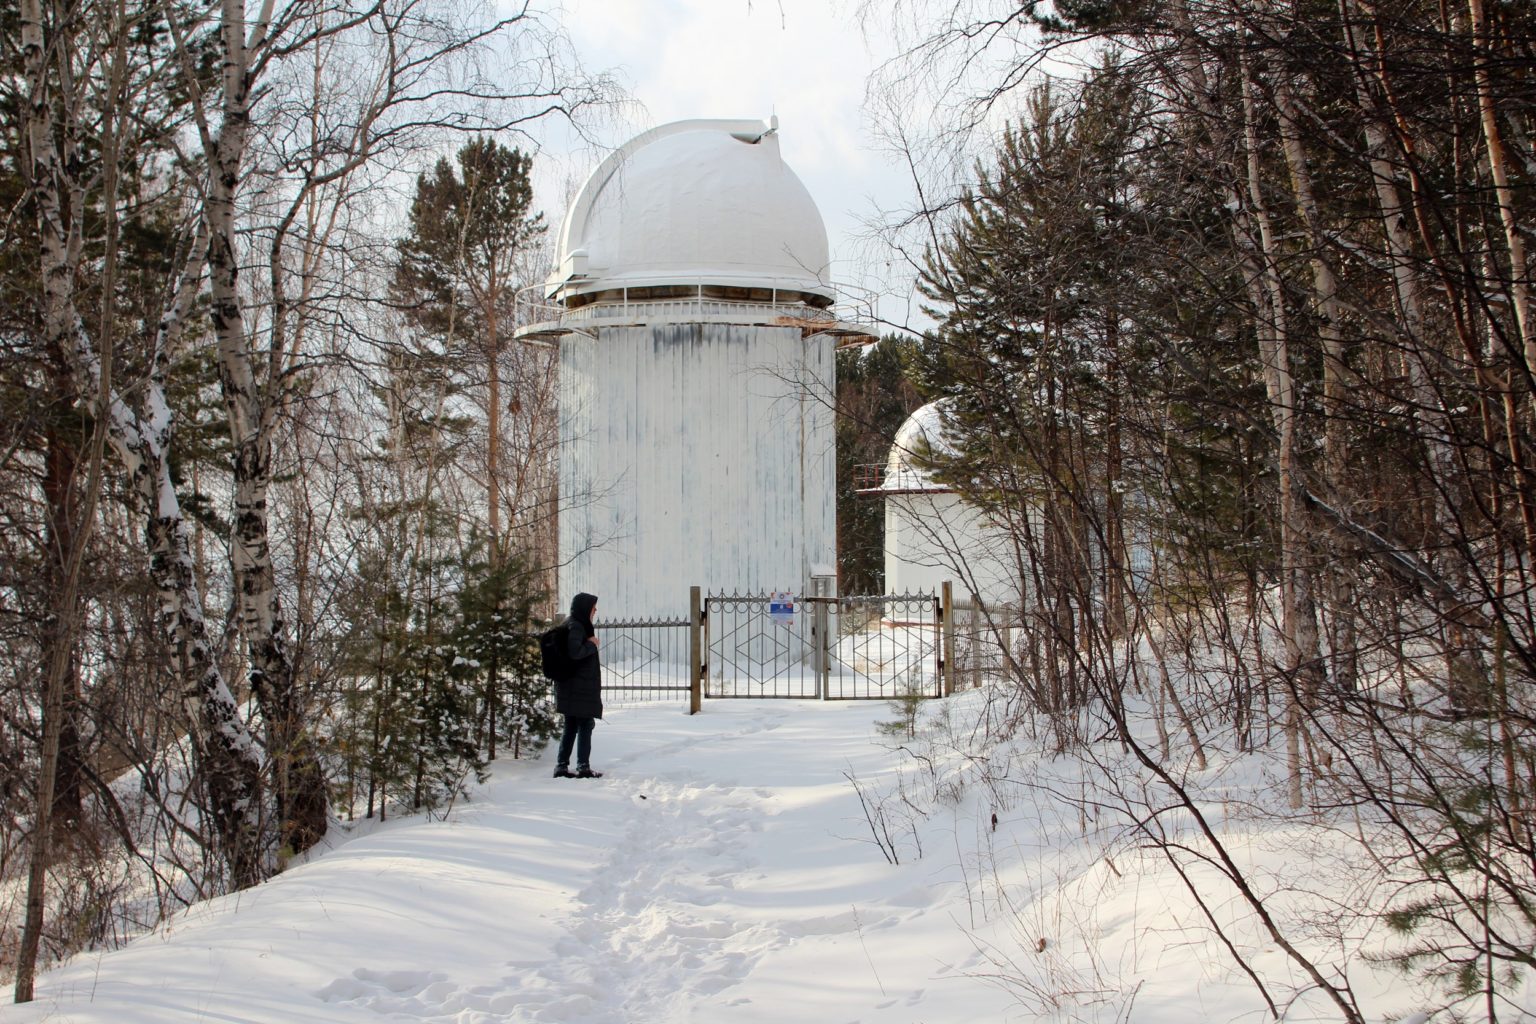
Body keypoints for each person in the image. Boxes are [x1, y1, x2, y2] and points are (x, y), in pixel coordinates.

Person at [553, 592, 604, 778]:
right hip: (578, 688)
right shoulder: (576, 626)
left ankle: (562, 766)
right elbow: (575, 652)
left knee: (571, 725)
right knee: (585, 724)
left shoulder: (571, 624)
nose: (595, 610)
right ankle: (583, 767)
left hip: (572, 687)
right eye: (593, 607)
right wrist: (592, 644)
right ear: (585, 608)